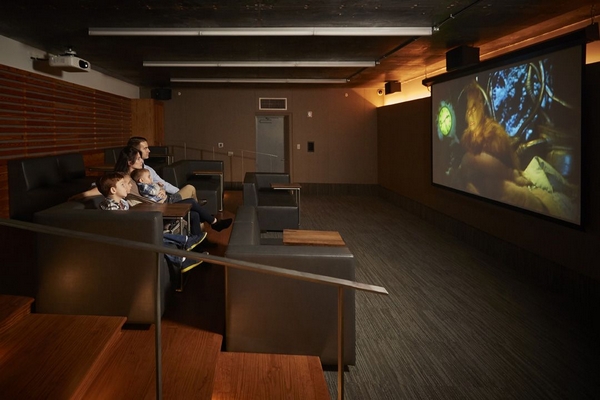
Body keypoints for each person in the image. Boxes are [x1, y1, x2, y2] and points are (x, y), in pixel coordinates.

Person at [96, 172, 206, 273]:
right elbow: (120, 227)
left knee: (155, 234)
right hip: (121, 239)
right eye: (122, 185)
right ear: (113, 190)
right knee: (151, 236)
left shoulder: (123, 202)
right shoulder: (110, 207)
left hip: (129, 233)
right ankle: (182, 253)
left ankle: (185, 245)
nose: (126, 186)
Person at [115, 146, 232, 235]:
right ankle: (213, 222)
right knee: (191, 201)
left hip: (162, 200)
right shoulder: (126, 180)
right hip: (159, 206)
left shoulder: (141, 173)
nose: (142, 161)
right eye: (138, 159)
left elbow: (155, 185)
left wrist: (161, 189)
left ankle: (200, 247)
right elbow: (138, 199)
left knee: (195, 214)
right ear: (129, 162)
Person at [127, 136, 201, 203]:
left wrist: (165, 190)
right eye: (145, 148)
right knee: (190, 189)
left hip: (162, 198)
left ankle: (195, 206)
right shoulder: (128, 177)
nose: (149, 151)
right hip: (159, 203)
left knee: (191, 197)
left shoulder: (148, 169)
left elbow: (163, 184)